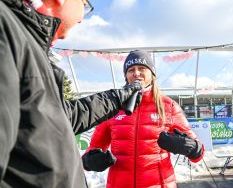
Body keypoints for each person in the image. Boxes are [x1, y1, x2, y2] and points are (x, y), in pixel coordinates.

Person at [0, 0, 142, 187]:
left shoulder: (27, 42)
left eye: (142, 68)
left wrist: (116, 98)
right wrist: (90, 160)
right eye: (84, 4)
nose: (82, 18)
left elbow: (59, 117)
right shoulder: (8, 31)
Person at [82, 50, 205, 188]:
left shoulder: (168, 106)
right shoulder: (113, 106)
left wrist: (191, 147)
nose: (136, 73)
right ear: (126, 76)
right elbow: (93, 148)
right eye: (131, 70)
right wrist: (90, 160)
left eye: (142, 68)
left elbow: (198, 154)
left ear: (152, 74)